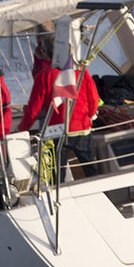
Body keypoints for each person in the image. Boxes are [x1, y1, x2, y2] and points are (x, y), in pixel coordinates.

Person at [20, 33, 102, 177]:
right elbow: (94, 100)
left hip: (56, 132)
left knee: (56, 177)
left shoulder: (44, 76)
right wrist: (87, 116)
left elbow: (33, 110)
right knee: (92, 171)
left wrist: (22, 129)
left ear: (46, 53)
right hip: (81, 128)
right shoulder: (81, 72)